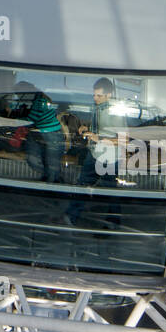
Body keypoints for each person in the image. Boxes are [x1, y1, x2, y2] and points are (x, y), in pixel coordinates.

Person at [64, 78, 129, 228]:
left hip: (109, 157)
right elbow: (98, 126)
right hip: (94, 154)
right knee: (83, 185)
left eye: (99, 96)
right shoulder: (97, 107)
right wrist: (85, 128)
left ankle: (113, 222)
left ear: (109, 95)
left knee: (109, 190)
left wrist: (97, 138)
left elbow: (123, 139)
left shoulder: (116, 112)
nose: (95, 98)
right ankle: (71, 217)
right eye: (94, 95)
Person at [18, 83, 65, 184]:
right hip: (52, 133)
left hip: (51, 134)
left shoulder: (40, 101)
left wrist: (15, 121)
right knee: (51, 164)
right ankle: (51, 182)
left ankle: (51, 187)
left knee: (49, 165)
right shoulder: (42, 97)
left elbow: (31, 119)